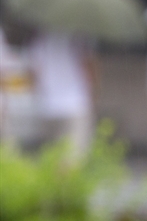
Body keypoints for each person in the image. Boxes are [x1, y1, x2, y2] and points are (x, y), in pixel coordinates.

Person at [27, 31, 97, 162]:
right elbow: (89, 69)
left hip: (48, 105)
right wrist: (93, 96)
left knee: (51, 157)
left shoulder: (40, 42)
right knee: (74, 158)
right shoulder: (80, 39)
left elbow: (33, 75)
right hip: (76, 104)